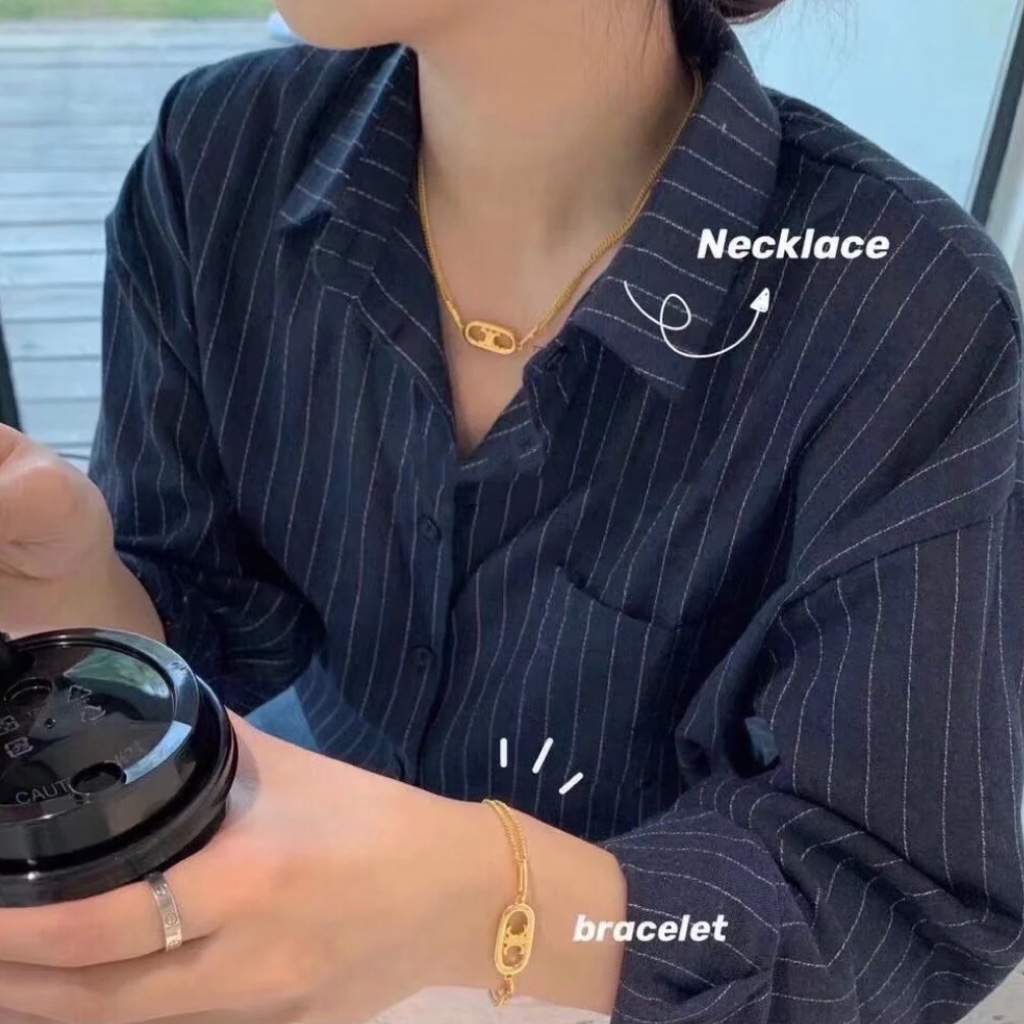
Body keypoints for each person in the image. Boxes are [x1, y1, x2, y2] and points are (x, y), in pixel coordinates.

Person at [0, 0, 1022, 1021]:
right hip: (279, 869)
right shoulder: (218, 160)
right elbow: (210, 610)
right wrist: (81, 587)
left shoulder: (910, 320)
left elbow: (889, 905)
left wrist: (487, 902)